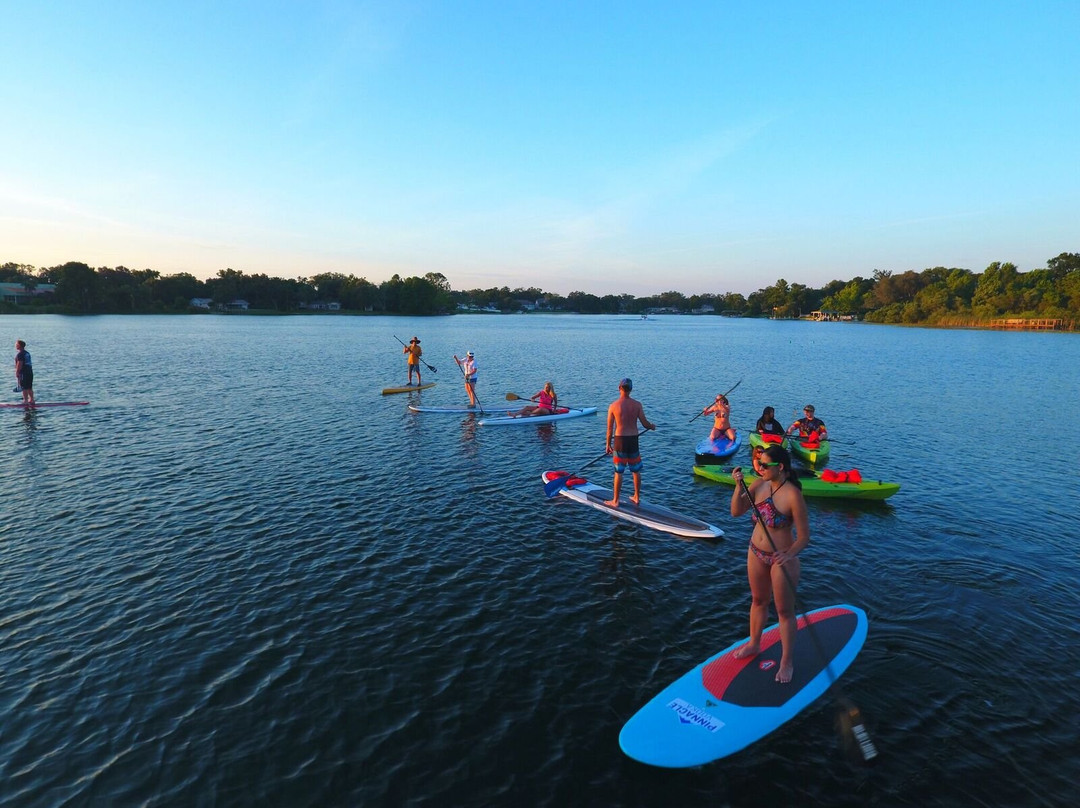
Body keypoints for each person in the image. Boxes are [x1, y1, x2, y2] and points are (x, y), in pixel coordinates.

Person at [730, 445, 810, 683]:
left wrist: (790, 554)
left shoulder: (793, 495)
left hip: (781, 557)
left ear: (780, 467)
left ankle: (786, 662)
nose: (760, 468)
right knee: (758, 601)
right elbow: (736, 512)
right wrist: (738, 487)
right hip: (755, 551)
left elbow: (804, 536)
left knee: (784, 611)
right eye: (759, 464)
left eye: (765, 465)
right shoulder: (758, 485)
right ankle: (754, 643)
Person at [603, 378, 656, 507]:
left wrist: (608, 445)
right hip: (633, 440)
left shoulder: (613, 406)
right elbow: (644, 423)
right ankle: (637, 497)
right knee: (636, 471)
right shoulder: (637, 405)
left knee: (618, 472)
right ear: (631, 389)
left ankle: (615, 501)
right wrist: (652, 426)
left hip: (620, 441)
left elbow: (609, 429)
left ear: (619, 388)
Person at [15, 340, 34, 405]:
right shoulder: (27, 353)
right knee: (29, 386)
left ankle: (25, 400)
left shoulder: (20, 354)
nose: (15, 345)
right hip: (30, 372)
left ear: (19, 345)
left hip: (24, 373)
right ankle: (32, 399)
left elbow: (19, 363)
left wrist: (17, 372)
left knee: (24, 387)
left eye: (16, 344)